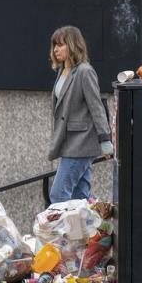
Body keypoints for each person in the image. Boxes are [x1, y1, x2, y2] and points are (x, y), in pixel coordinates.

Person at [48, 25, 113, 204]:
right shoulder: (62, 71)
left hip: (81, 142)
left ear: (72, 45)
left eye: (60, 45)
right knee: (80, 196)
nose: (55, 49)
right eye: (54, 45)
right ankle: (90, 228)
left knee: (58, 194)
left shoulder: (85, 71)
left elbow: (96, 107)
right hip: (69, 141)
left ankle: (63, 232)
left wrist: (105, 139)